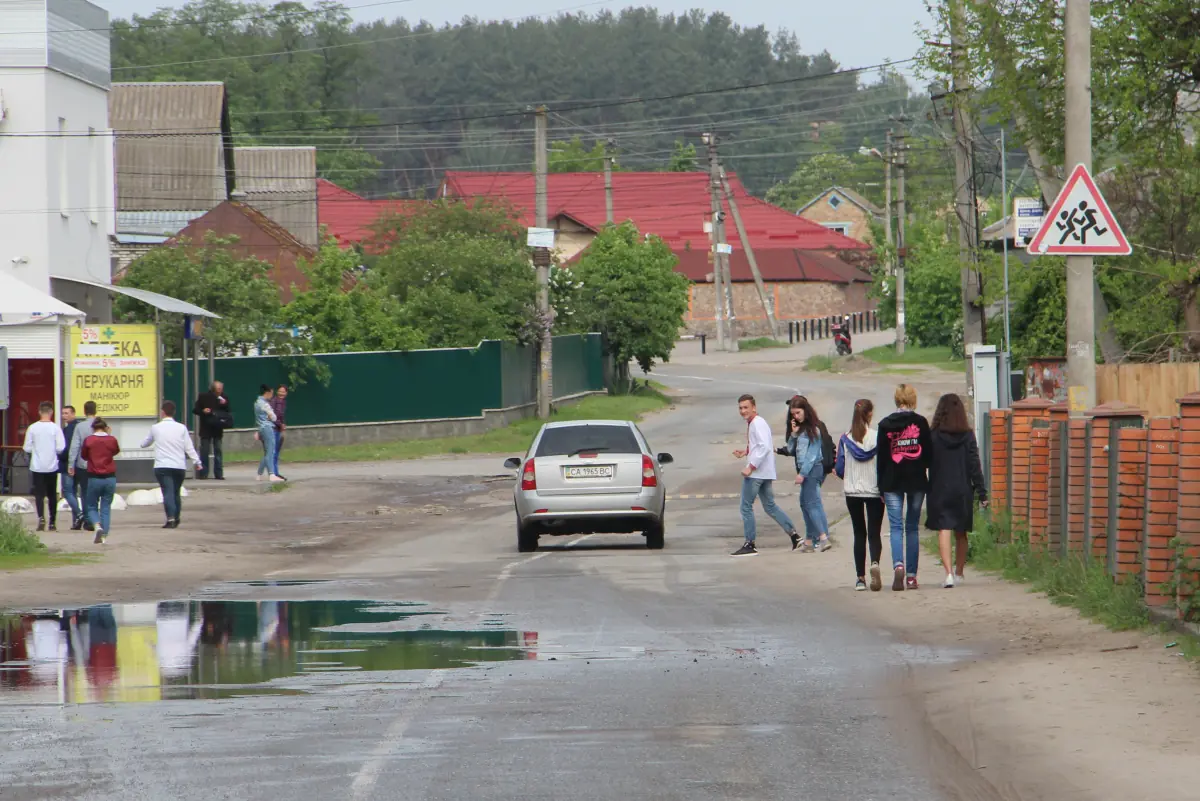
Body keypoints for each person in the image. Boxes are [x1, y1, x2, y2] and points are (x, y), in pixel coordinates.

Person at [926, 393, 988, 588]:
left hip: (939, 488)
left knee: (944, 529)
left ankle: (948, 574)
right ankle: (960, 572)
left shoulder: (933, 435)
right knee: (961, 532)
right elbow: (974, 464)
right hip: (962, 488)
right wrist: (982, 491)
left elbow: (926, 461)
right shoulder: (968, 435)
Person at [730, 394, 801, 557]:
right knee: (770, 506)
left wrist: (751, 466)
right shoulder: (757, 423)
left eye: (746, 407)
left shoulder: (756, 424)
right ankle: (795, 537)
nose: (743, 411)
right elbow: (760, 445)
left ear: (754, 407)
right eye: (740, 408)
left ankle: (750, 543)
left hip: (757, 472)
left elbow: (764, 447)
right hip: (765, 472)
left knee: (745, 507)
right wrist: (746, 451)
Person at [877, 384, 932, 591]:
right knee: (912, 527)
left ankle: (898, 564)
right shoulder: (921, 423)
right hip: (916, 480)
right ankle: (911, 576)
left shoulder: (885, 424)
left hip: (892, 482)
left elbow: (881, 459)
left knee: (896, 527)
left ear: (896, 399)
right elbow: (928, 455)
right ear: (913, 399)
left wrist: (880, 486)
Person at [837, 399, 884, 591]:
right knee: (874, 532)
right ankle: (875, 562)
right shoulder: (877, 437)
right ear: (870, 414)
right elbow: (883, 465)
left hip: (852, 491)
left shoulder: (845, 438)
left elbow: (840, 467)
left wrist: (847, 475)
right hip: (874, 490)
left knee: (859, 533)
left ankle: (860, 578)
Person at [778, 396, 831, 553]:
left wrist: (802, 474)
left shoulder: (814, 430)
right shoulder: (799, 430)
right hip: (807, 470)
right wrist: (794, 434)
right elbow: (790, 449)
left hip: (813, 469)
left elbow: (812, 455)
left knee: (811, 503)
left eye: (798, 413)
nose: (796, 416)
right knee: (804, 502)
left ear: (806, 411)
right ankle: (809, 540)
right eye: (793, 414)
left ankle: (822, 537)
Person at [141, 401, 203, 529]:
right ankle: (177, 517)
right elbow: (189, 446)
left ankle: (170, 518)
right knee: (175, 492)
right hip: (179, 466)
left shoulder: (156, 428)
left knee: (167, 492)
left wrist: (142, 444)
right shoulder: (181, 428)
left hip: (162, 465)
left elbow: (146, 443)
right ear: (174, 412)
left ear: (162, 412)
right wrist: (197, 461)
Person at [23, 401, 65, 532]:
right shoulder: (55, 428)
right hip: (52, 466)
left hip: (37, 466)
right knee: (52, 494)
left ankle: (41, 517)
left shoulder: (33, 428)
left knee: (39, 494)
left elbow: (27, 448)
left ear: (39, 412)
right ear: (51, 412)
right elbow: (60, 447)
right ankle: (52, 521)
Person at [80, 418, 120, 545]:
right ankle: (104, 536)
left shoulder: (89, 440)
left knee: (91, 505)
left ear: (93, 428)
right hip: (110, 477)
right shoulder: (112, 440)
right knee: (106, 507)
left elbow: (84, 456)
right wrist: (109, 435)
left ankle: (97, 526)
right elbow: (115, 451)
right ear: (106, 427)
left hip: (94, 477)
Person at [67, 400, 98, 531]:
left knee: (85, 493)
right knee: (96, 493)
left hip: (83, 464)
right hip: (99, 464)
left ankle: (88, 520)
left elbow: (75, 446)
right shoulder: (101, 424)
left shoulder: (80, 427)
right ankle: (96, 518)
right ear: (95, 410)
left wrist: (71, 464)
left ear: (84, 411)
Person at [193, 381, 231, 480]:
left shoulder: (224, 397)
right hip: (206, 428)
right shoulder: (204, 396)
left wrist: (224, 404)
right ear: (213, 388)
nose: (220, 390)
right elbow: (195, 409)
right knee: (204, 450)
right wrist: (203, 411)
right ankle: (203, 473)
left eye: (221, 388)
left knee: (218, 450)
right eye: (218, 388)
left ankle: (218, 473)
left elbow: (228, 411)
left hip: (218, 428)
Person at [59, 405, 84, 529]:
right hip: (79, 464)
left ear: (73, 414)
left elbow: (68, 448)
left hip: (68, 464)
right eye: (63, 413)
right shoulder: (78, 427)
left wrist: (60, 456)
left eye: (67, 413)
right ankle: (76, 522)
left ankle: (79, 514)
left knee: (68, 491)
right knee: (73, 492)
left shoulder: (70, 429)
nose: (64, 416)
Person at [254, 385, 284, 483]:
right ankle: (271, 474)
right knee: (271, 451)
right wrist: (270, 417)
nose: (272, 395)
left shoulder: (257, 403)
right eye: (271, 393)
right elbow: (274, 417)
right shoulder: (265, 404)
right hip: (268, 428)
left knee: (267, 452)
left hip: (261, 428)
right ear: (267, 393)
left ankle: (259, 474)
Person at [270, 384, 288, 480]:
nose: (281, 393)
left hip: (278, 429)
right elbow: (273, 416)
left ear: (286, 393)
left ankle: (275, 473)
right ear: (277, 392)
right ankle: (273, 473)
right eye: (280, 391)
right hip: (273, 429)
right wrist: (280, 425)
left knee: (276, 451)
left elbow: (281, 416)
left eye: (283, 392)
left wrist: (283, 424)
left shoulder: (283, 402)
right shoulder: (274, 402)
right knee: (273, 452)